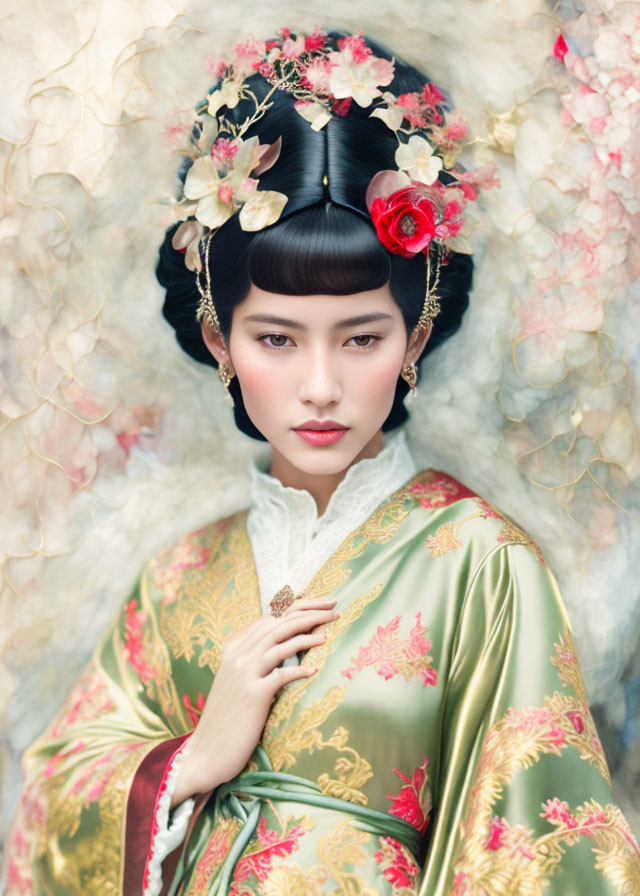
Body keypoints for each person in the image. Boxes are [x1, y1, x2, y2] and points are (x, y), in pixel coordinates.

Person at [4, 25, 639, 896]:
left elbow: (535, 848)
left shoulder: (485, 566)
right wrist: (192, 759)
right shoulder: (179, 580)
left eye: (361, 337)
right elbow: (50, 807)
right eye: (275, 337)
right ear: (218, 337)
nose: (319, 386)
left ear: (414, 333)